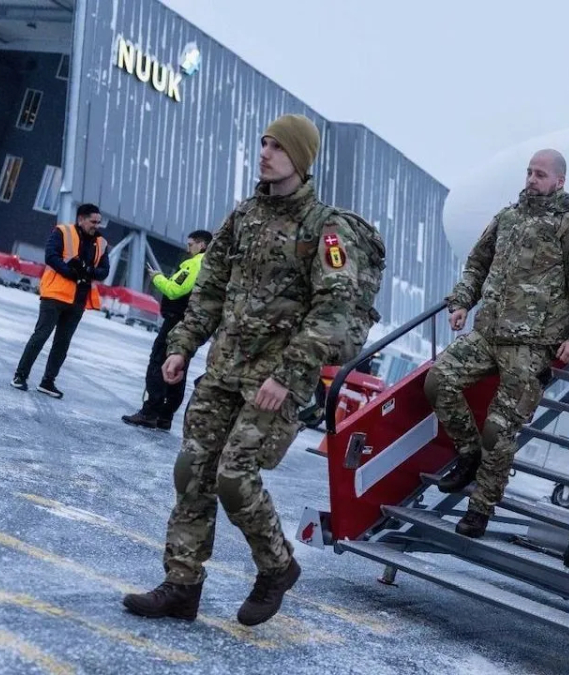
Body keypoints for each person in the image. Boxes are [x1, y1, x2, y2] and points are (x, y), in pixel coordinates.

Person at [122, 114, 385, 626]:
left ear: (301, 160)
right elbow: (211, 289)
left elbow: (334, 313)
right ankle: (181, 586)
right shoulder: (244, 216)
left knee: (234, 478)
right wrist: (183, 344)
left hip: (275, 380)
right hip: (223, 370)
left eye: (277, 147)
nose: (265, 153)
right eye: (263, 143)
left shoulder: (324, 228)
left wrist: (287, 375)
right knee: (191, 471)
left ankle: (277, 566)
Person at [426, 148, 569, 538]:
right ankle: (467, 452)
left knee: (499, 429)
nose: (531, 179)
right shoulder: (507, 218)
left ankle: (480, 508)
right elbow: (477, 263)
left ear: (559, 181)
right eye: (529, 172)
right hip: (487, 333)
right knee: (438, 381)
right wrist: (462, 301)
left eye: (540, 174)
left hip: (530, 349)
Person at [11, 203, 110, 398]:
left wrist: (88, 272)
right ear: (81, 219)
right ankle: (20, 376)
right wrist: (72, 273)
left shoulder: (102, 243)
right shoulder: (62, 232)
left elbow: (104, 271)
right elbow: (51, 257)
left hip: (79, 300)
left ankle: (48, 382)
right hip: (55, 295)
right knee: (41, 336)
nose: (96, 226)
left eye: (99, 222)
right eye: (93, 221)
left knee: (62, 343)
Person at [121, 230, 212, 431]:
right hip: (191, 323)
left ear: (201, 244)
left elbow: (174, 289)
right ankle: (165, 415)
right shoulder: (213, 265)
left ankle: (150, 412)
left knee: (158, 363)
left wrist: (157, 278)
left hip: (176, 322)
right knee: (178, 367)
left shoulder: (196, 263)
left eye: (190, 244)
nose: (187, 249)